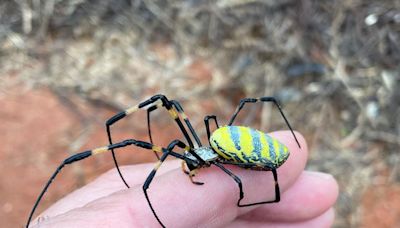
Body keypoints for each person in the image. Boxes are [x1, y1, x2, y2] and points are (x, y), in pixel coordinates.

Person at [29, 131, 338, 227]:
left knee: (240, 187)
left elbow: (242, 189)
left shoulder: (220, 166)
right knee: (136, 142)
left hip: (249, 158)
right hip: (232, 155)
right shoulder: (198, 155)